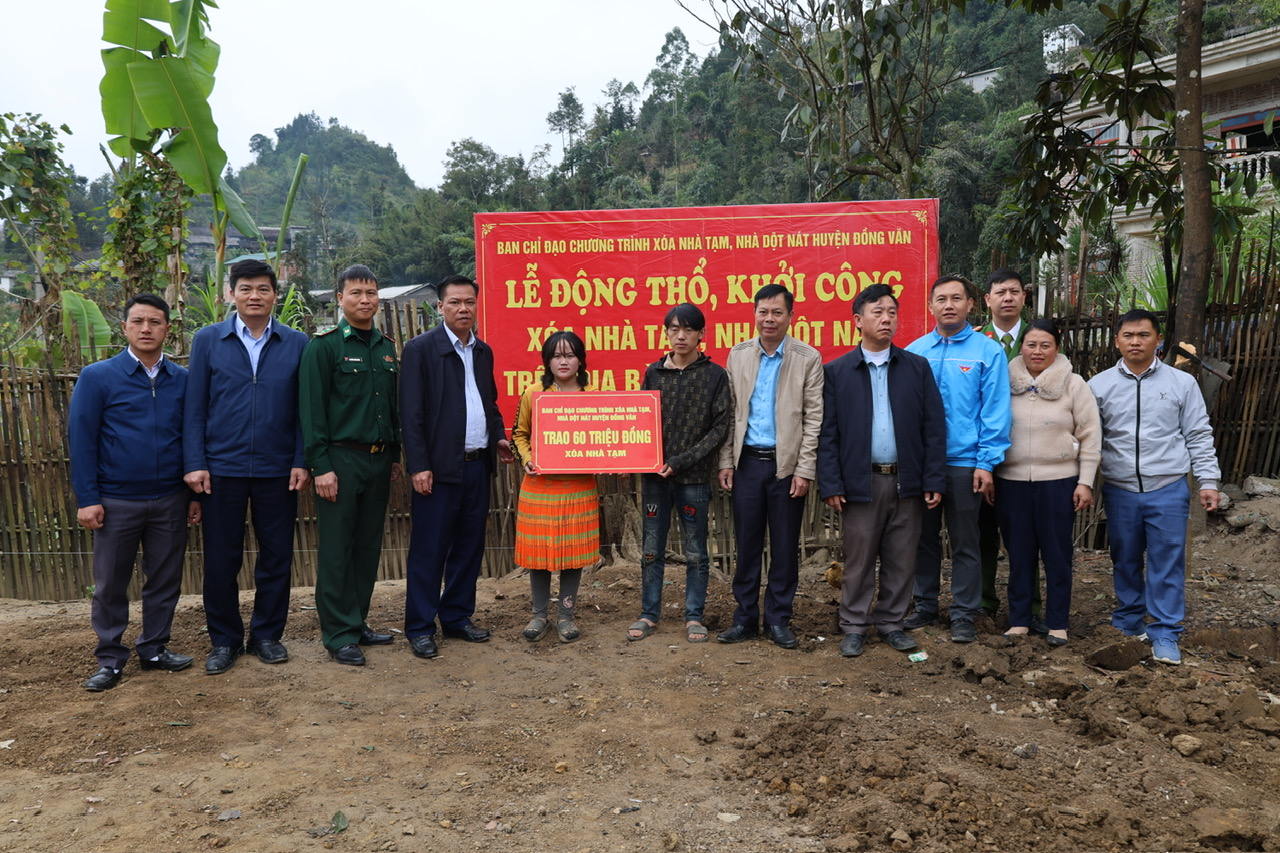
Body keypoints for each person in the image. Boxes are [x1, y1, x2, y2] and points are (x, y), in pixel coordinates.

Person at [70, 293, 201, 691]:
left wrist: (194, 495)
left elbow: (193, 436)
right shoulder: (98, 377)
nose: (146, 329)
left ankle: (155, 648)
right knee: (110, 582)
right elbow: (82, 440)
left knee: (164, 578)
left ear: (167, 329)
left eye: (155, 322)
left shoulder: (182, 379)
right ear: (124, 327)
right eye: (138, 321)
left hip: (170, 499)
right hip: (116, 500)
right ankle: (110, 658)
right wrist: (88, 498)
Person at [184, 258, 310, 674]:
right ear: (230, 294)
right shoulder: (208, 340)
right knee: (222, 558)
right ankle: (224, 640)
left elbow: (303, 412)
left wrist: (299, 460)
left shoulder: (296, 343)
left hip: (278, 470)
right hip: (222, 469)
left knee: (276, 556)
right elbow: (195, 409)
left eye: (263, 289)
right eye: (246, 289)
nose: (254, 296)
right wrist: (196, 463)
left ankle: (267, 635)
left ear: (275, 294)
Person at [818, 284, 947, 657]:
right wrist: (832, 483)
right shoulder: (838, 372)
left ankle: (891, 622)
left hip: (907, 480)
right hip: (862, 481)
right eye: (877, 312)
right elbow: (828, 434)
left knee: (901, 556)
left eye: (891, 311)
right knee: (858, 559)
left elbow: (933, 427)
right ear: (858, 320)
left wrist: (933, 478)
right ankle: (854, 624)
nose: (886, 318)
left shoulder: (916, 368)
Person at [1088, 309, 1220, 665]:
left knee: (1167, 562)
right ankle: (1128, 625)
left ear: (1158, 339)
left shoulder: (1181, 384)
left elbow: (1197, 433)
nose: (1135, 341)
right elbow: (1088, 438)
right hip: (1120, 489)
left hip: (1168, 488)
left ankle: (1165, 632)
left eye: (1143, 335)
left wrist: (1208, 480)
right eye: (1128, 335)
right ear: (1116, 341)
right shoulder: (1098, 386)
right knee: (1125, 559)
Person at [400, 274, 514, 661]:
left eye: (469, 302)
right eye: (454, 303)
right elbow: (411, 415)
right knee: (430, 550)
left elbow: (490, 403)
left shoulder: (483, 351)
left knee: (469, 547)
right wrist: (419, 466)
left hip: (477, 465)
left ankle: (457, 617)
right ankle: (419, 626)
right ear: (440, 307)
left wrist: (498, 435)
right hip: (437, 469)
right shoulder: (421, 350)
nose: (463, 309)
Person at [299, 264, 401, 667]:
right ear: (339, 298)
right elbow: (312, 413)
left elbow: (391, 409)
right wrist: (320, 466)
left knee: (366, 546)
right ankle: (338, 633)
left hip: (378, 461)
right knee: (338, 549)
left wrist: (393, 458)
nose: (365, 300)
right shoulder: (323, 346)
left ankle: (357, 621)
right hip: (339, 461)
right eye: (356, 293)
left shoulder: (388, 346)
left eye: (371, 293)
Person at [904, 275, 1011, 643]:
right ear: (930, 306)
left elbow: (994, 411)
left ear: (970, 305)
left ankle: (964, 612)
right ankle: (925, 604)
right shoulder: (915, 351)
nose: (948, 305)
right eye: (941, 299)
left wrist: (986, 462)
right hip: (921, 464)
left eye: (956, 299)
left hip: (966, 462)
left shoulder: (987, 352)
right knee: (923, 537)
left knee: (967, 540)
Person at [716, 284, 824, 649]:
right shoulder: (739, 355)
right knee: (746, 546)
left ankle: (779, 618)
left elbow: (814, 419)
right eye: (763, 311)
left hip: (787, 468)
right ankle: (745, 617)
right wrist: (727, 461)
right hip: (747, 464)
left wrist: (805, 470)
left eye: (777, 312)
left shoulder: (807, 358)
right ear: (754, 314)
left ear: (790, 317)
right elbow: (729, 415)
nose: (769, 319)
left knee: (784, 546)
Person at [628, 304, 732, 643]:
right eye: (674, 329)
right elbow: (642, 424)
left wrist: (682, 460)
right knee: (650, 549)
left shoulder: (714, 375)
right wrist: (646, 458)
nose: (681, 335)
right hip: (655, 479)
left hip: (694, 480)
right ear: (667, 333)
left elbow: (719, 429)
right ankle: (649, 613)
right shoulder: (653, 373)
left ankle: (693, 616)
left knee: (696, 552)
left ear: (702, 334)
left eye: (688, 329)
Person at [994, 319, 1100, 646]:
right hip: (1011, 483)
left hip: (1058, 482)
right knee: (1019, 554)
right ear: (1020, 347)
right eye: (1031, 345)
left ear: (1057, 348)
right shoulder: (1003, 381)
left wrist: (1085, 482)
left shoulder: (1075, 385)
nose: (1037, 352)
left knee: (1056, 554)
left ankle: (1057, 622)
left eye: (1045, 345)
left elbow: (1091, 435)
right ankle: (1020, 620)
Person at [512, 331, 600, 643]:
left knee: (572, 555)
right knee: (539, 554)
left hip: (579, 486)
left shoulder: (594, 394)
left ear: (580, 360)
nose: (563, 361)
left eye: (570, 355)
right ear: (547, 360)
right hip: (540, 486)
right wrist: (527, 459)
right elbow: (519, 434)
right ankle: (539, 615)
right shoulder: (534, 392)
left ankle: (565, 616)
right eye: (557, 355)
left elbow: (608, 435)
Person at [976, 268, 1042, 626]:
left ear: (1024, 298)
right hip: (983, 455)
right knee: (982, 532)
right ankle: (984, 600)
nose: (1008, 298)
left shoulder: (1038, 340)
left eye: (1014, 292)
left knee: (1024, 535)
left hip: (1025, 453)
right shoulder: (974, 341)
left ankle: (1029, 605)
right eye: (1000, 292)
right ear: (987, 300)